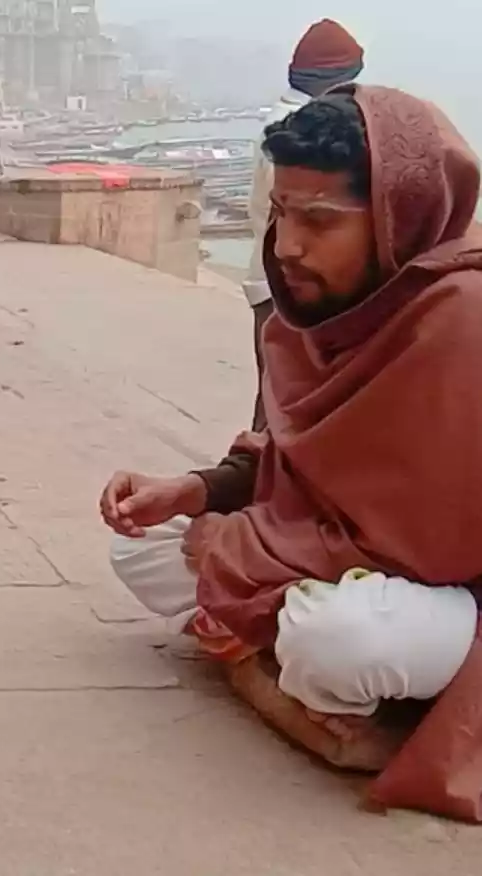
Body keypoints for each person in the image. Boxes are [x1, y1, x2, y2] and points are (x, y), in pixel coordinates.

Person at [100, 86, 482, 822]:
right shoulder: (325, 314)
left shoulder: (458, 320)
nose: (287, 247)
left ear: (397, 218)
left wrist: (234, 547)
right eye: (279, 214)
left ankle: (315, 694)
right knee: (142, 547)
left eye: (319, 221)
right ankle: (297, 691)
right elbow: (302, 463)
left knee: (338, 639)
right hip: (345, 558)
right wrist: (194, 492)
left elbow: (426, 546)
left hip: (456, 593)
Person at [241, 19, 364, 432]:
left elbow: (257, 209)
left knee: (277, 395)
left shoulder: (277, 123)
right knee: (288, 399)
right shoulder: (305, 131)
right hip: (289, 284)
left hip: (268, 275)